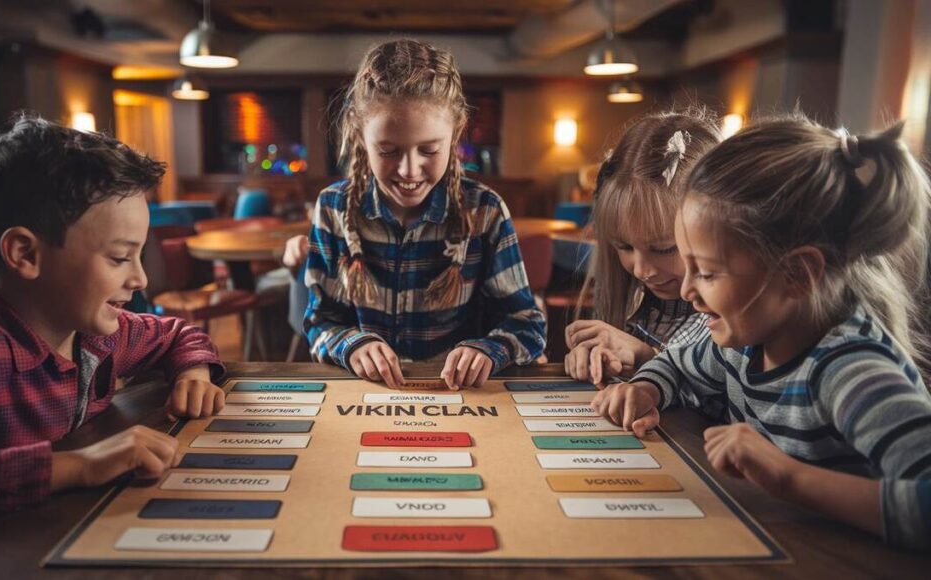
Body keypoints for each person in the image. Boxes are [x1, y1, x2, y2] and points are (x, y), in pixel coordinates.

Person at [592, 115, 931, 549]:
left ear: (797, 273)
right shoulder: (745, 345)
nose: (687, 289)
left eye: (707, 273)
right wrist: (645, 388)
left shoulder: (851, 372)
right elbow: (676, 364)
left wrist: (789, 477)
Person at [0, 115, 226, 522]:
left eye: (139, 256)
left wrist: (194, 374)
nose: (140, 278)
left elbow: (177, 333)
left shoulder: (98, 334)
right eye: (118, 258)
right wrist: (81, 465)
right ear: (26, 254)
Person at [304, 39, 546, 390]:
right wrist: (351, 344)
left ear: (456, 133)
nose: (409, 170)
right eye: (387, 150)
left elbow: (526, 323)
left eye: (429, 149)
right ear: (359, 133)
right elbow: (318, 322)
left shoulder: (486, 211)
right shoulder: (332, 209)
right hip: (365, 394)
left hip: (458, 396)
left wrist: (489, 349)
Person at [564, 111, 721, 386]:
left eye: (663, 249)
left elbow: (720, 394)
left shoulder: (734, 321)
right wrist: (600, 360)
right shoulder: (636, 304)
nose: (641, 270)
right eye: (623, 246)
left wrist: (647, 358)